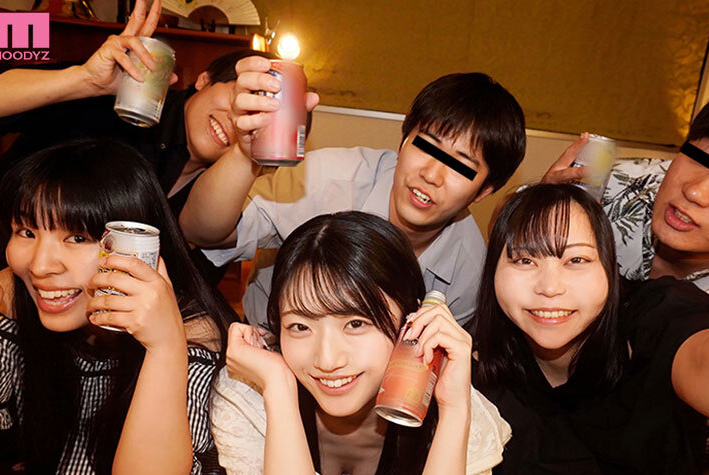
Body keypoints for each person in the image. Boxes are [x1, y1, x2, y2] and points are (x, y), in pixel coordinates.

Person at [543, 74, 709, 475]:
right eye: (699, 155)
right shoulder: (616, 186)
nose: (697, 191)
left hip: (654, 474)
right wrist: (541, 207)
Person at [472, 183, 709, 475]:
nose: (550, 287)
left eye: (576, 260)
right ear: (493, 271)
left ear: (608, 268)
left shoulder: (655, 316)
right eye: (525, 260)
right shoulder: (480, 376)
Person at [0, 138, 237, 475]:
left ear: (137, 247)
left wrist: (166, 347)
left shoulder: (195, 331)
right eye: (26, 232)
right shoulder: (11, 299)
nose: (40, 266)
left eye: (77, 237)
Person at [210, 211, 510, 475]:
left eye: (355, 323)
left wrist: (454, 410)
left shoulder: (463, 417)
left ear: (411, 321)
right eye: (300, 326)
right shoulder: (250, 395)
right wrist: (279, 390)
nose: (327, 359)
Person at [180, 61, 527, 329]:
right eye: (426, 146)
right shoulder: (327, 179)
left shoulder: (469, 272)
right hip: (269, 349)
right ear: (403, 140)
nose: (431, 175)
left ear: (484, 190)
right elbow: (201, 231)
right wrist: (244, 156)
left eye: (460, 167)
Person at [0, 0, 317, 222]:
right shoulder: (116, 97)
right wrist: (83, 81)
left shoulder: (218, 200)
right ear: (204, 78)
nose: (235, 121)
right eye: (238, 98)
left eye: (254, 120)